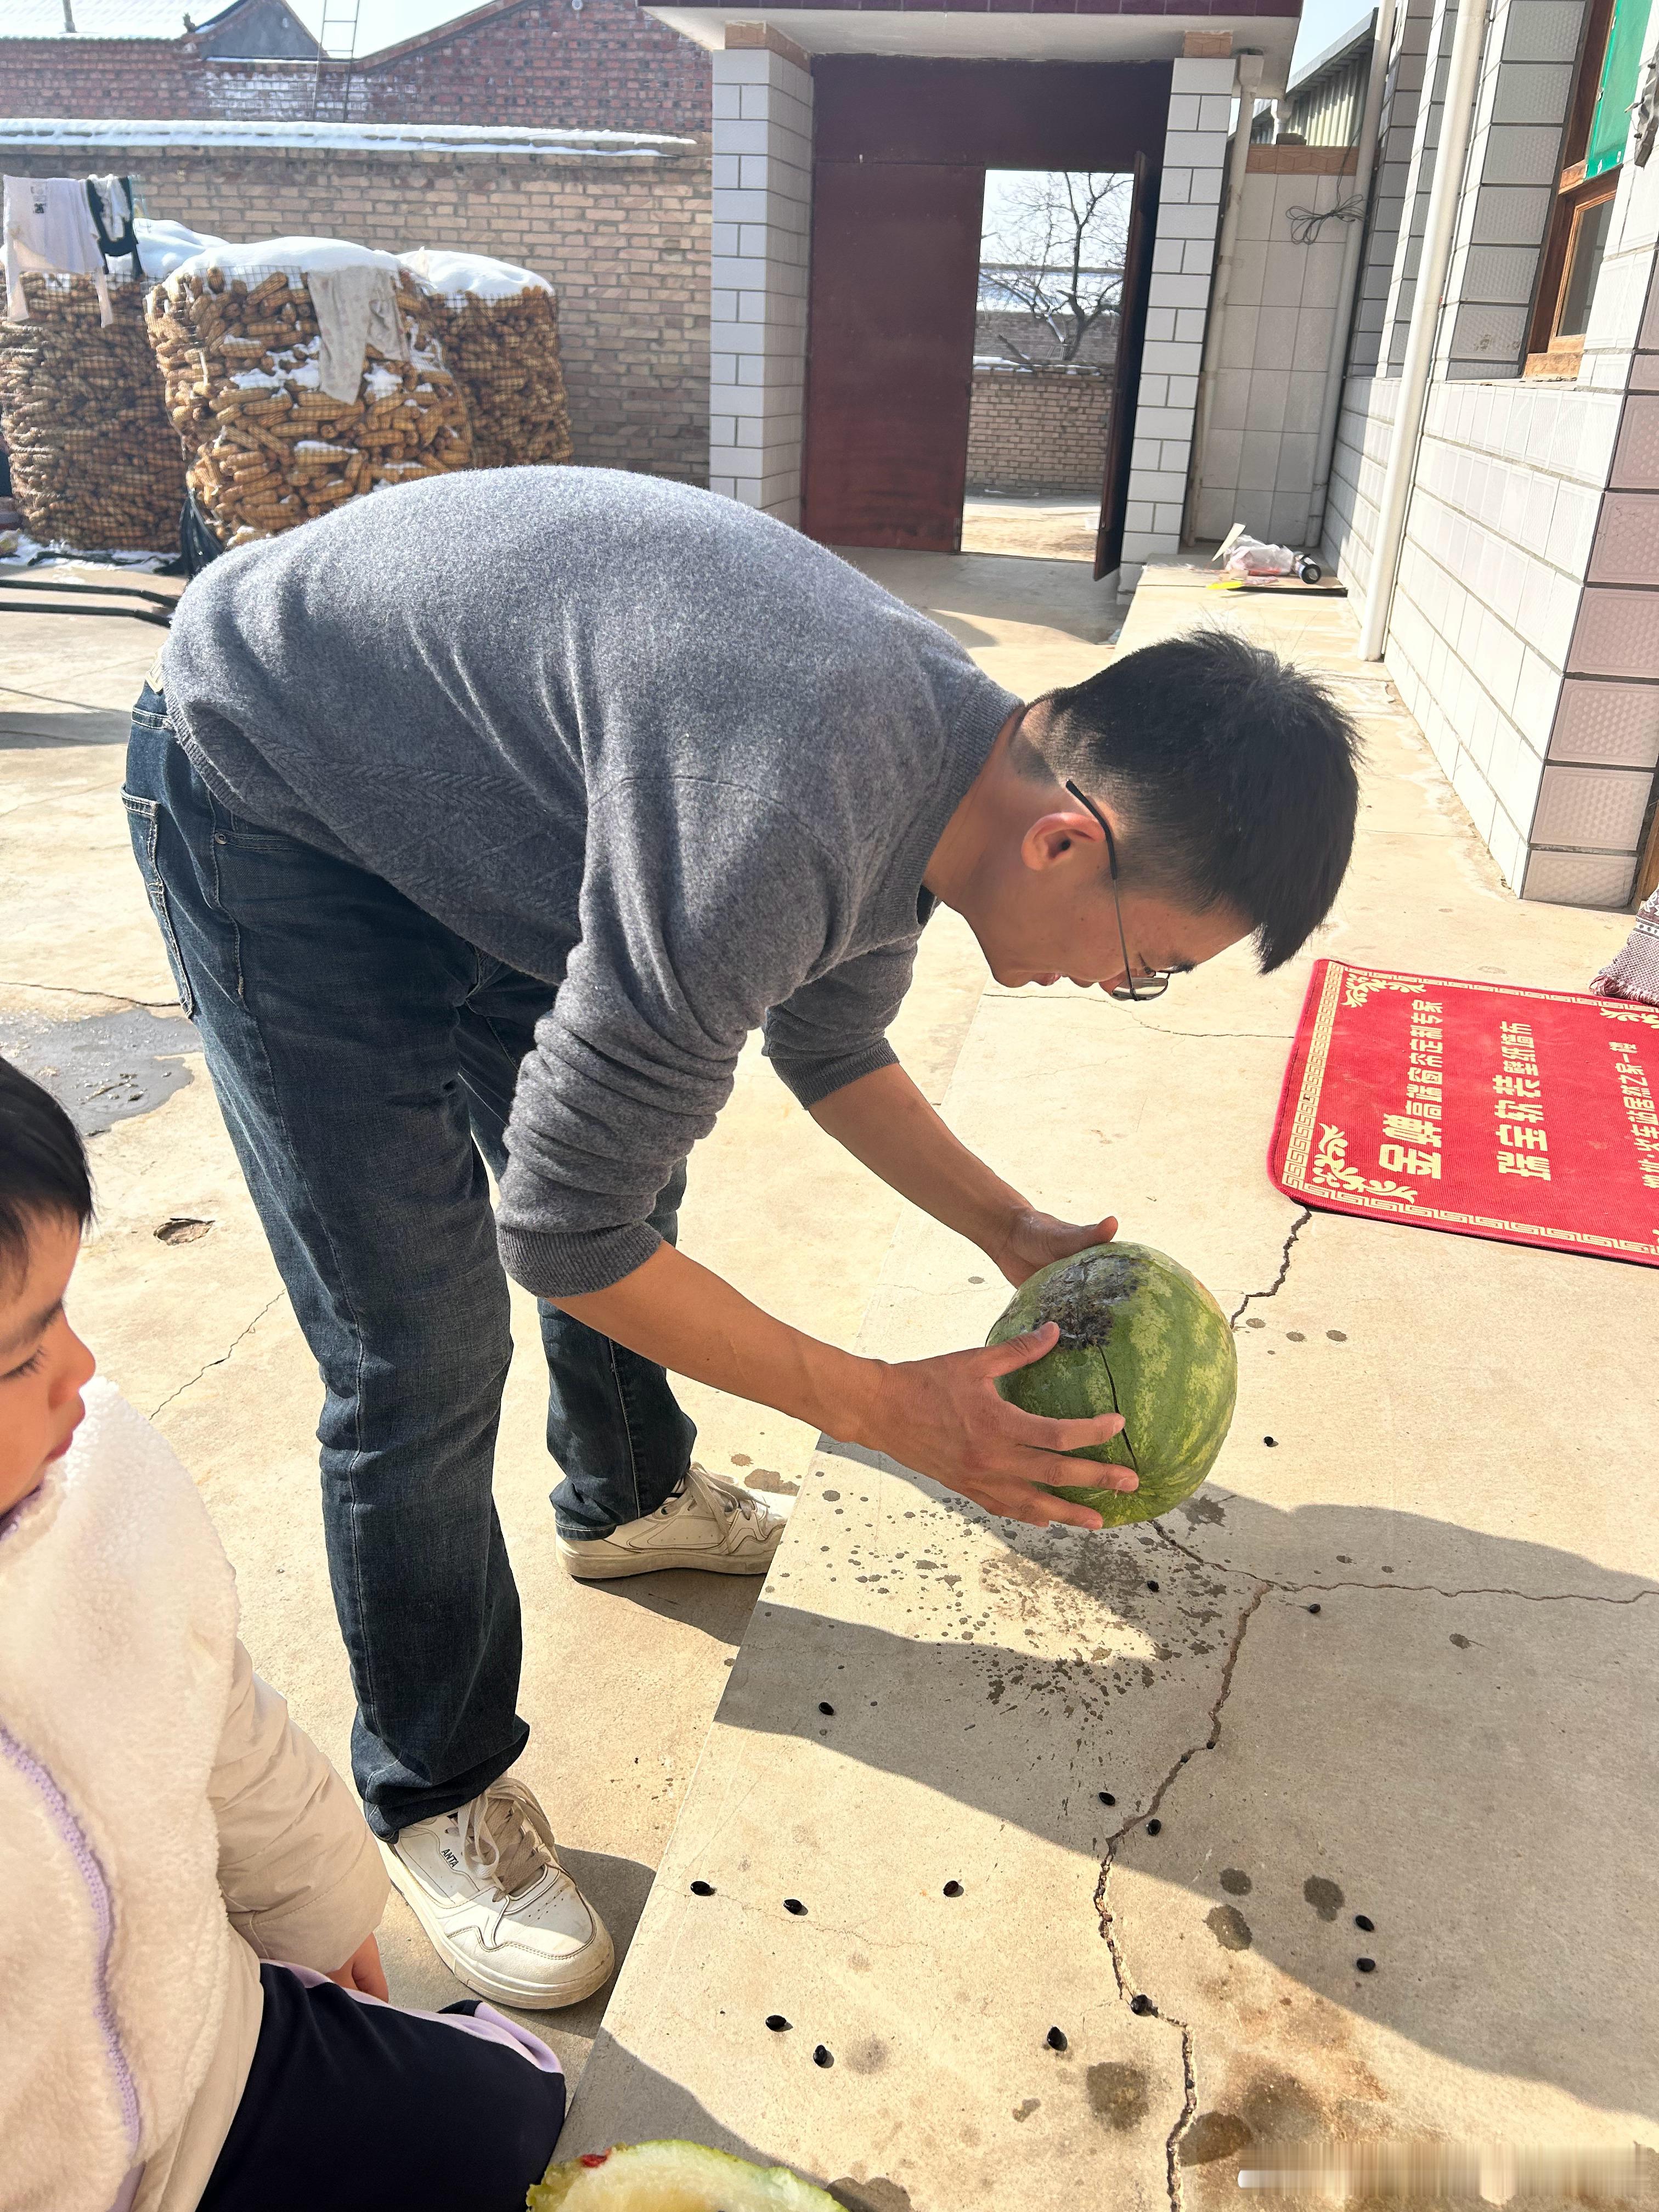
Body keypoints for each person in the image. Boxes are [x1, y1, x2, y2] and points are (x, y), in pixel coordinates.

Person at [127, 467, 1360, 2010]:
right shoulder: (792, 806)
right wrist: (881, 1406)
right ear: (1062, 843)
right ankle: (435, 1787)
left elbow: (829, 1049)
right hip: (275, 790)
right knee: (420, 1340)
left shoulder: (946, 780)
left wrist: (1012, 1226)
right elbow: (560, 1228)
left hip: (474, 804)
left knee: (639, 1162)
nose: (1124, 990)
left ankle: (628, 1497)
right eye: (1148, 966)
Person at [0, 1057, 569, 2212]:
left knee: (506, 2117)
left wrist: (320, 1905)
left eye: (62, 1317)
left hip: (203, 2062)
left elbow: (224, 1722)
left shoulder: (108, 1483)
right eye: (19, 1355)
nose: (81, 1369)